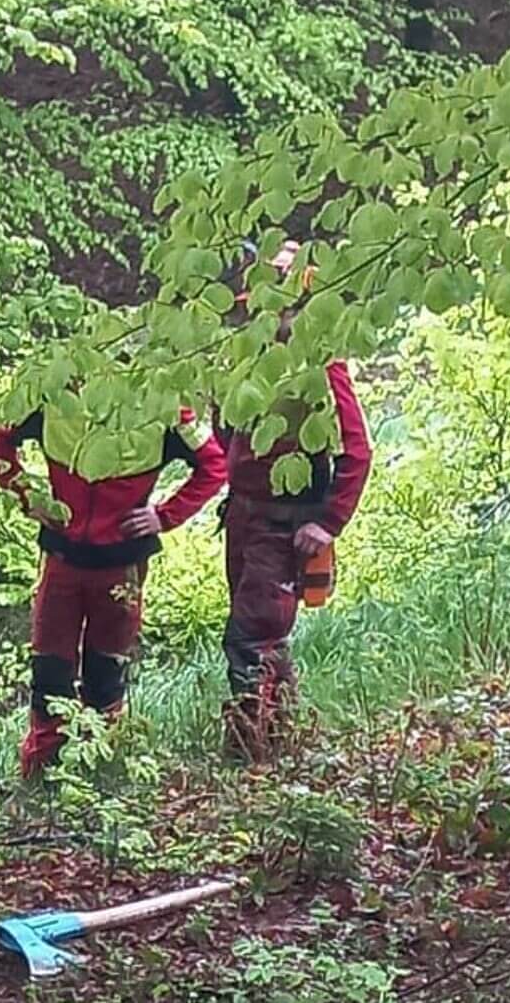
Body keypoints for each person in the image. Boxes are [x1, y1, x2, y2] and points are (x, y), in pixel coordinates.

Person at [0, 388, 226, 776]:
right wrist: (30, 495)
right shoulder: (49, 392)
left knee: (107, 670)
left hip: (123, 563)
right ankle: (42, 774)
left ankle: (101, 770)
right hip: (62, 557)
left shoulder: (162, 402)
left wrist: (164, 515)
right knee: (49, 670)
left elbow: (215, 465)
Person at [213, 241, 371, 761]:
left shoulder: (322, 367)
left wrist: (329, 522)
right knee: (261, 638)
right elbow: (226, 427)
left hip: (285, 527)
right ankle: (277, 745)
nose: (269, 316)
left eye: (280, 306)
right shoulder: (248, 358)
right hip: (244, 517)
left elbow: (357, 451)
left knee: (251, 639)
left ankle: (251, 756)